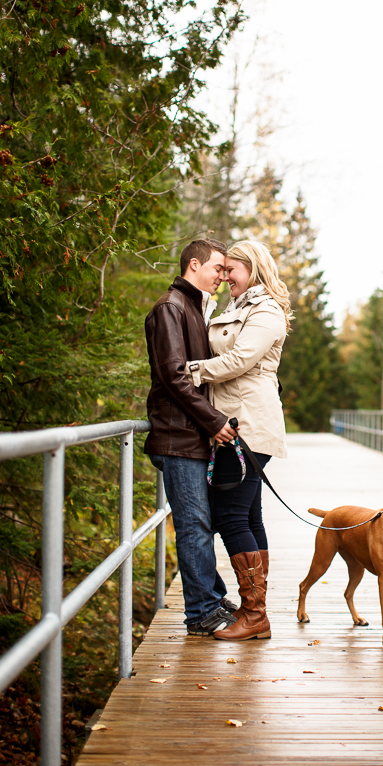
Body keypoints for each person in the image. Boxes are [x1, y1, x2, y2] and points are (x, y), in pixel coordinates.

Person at [187, 241, 291, 641]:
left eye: (232, 269)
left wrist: (187, 371)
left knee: (230, 515)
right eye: (223, 269)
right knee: (248, 516)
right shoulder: (236, 307)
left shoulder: (266, 310)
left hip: (248, 425)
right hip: (236, 423)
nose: (225, 276)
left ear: (254, 268)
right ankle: (255, 613)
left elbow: (239, 361)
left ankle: (255, 614)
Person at [144, 239, 239, 636]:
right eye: (218, 268)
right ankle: (201, 613)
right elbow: (175, 376)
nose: (223, 276)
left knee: (202, 522)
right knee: (194, 525)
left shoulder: (193, 308)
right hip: (178, 437)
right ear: (195, 264)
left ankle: (212, 597)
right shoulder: (171, 307)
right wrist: (214, 422)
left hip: (191, 436)